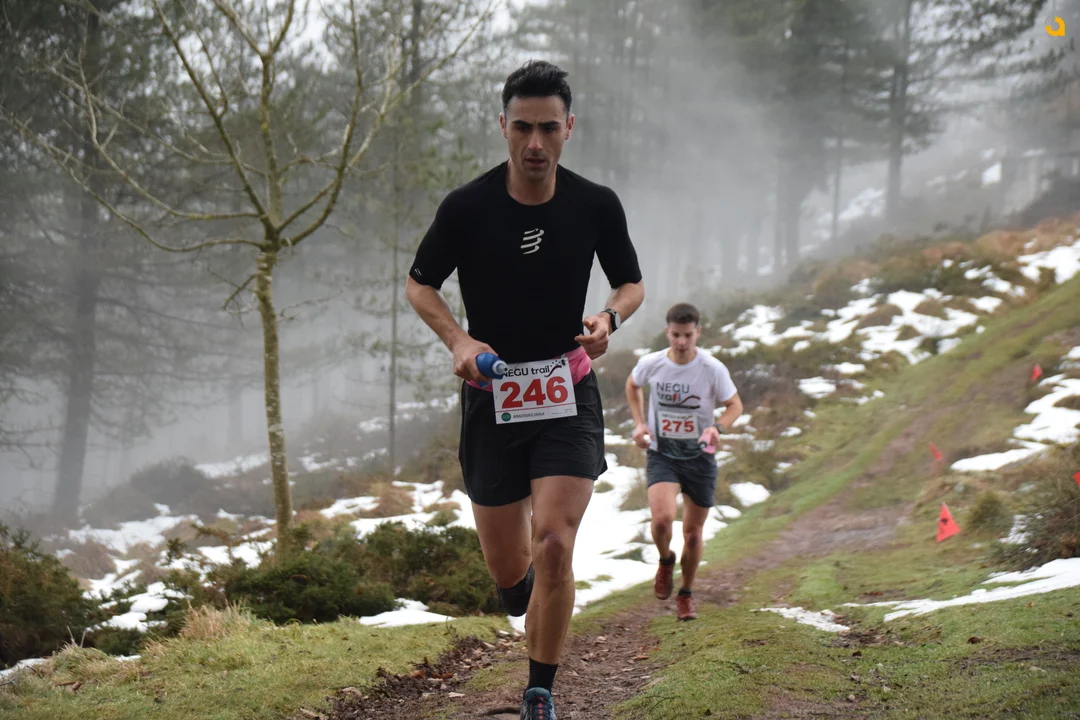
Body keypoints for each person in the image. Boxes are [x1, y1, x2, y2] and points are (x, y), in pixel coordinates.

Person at [405, 59, 644, 720]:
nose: (535, 143)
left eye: (548, 128)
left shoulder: (595, 205)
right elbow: (419, 285)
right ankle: (527, 593)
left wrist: (608, 319)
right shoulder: (467, 208)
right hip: (493, 398)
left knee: (556, 543)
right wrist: (459, 341)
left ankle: (540, 692)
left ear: (569, 128)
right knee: (510, 574)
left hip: (568, 391)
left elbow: (630, 283)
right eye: (522, 128)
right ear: (502, 127)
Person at [625, 302, 743, 621]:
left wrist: (717, 428)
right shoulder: (652, 363)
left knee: (692, 534)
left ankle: (686, 594)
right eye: (676, 335)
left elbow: (734, 405)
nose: (681, 342)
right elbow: (632, 385)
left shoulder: (711, 368)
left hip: (700, 457)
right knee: (662, 521)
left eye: (687, 335)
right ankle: (665, 560)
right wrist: (640, 423)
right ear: (667, 332)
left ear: (697, 333)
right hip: (662, 454)